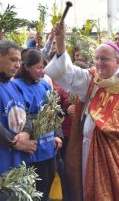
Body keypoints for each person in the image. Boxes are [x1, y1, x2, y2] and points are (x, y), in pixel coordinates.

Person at [44, 22, 119, 201]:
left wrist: (103, 123)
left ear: (117, 61)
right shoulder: (93, 77)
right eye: (96, 58)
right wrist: (61, 41)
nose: (99, 63)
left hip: (113, 152)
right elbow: (69, 74)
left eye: (104, 59)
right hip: (88, 147)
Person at [13, 49, 62, 201]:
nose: (42, 72)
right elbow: (22, 116)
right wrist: (41, 117)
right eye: (38, 68)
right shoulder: (16, 86)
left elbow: (54, 110)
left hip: (49, 149)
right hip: (32, 151)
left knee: (47, 188)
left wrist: (56, 135)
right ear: (26, 66)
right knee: (35, 192)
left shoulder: (44, 85)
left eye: (43, 68)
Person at [0, 40, 37, 175]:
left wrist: (26, 132)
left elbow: (26, 114)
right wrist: (14, 143)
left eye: (19, 61)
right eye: (13, 60)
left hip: (18, 164)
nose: (17, 65)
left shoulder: (15, 86)